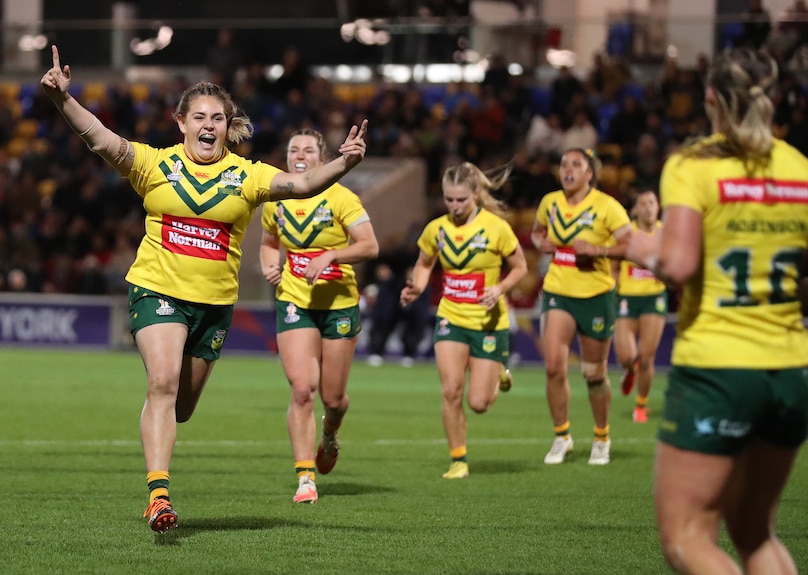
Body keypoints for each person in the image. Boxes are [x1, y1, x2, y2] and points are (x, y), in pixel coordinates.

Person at [40, 45, 368, 532]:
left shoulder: (249, 175)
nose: (209, 124)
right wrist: (63, 100)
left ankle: (166, 452)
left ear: (226, 125)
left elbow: (301, 187)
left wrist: (344, 163)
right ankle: (158, 494)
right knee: (163, 383)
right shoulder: (154, 165)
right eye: (199, 116)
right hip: (157, 289)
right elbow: (101, 138)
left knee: (183, 406)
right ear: (182, 122)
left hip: (213, 307)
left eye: (218, 116)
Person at [624, 48, 808, 574]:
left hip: (720, 367)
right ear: (773, 100)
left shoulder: (693, 165)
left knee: (688, 537)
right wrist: (788, 300)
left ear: (709, 98)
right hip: (792, 368)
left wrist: (637, 248)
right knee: (755, 532)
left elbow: (679, 265)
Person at [259, 128, 378, 505]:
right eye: (293, 148)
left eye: (308, 150)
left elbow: (370, 246)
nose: (299, 154)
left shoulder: (341, 197)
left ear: (321, 159)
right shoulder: (276, 199)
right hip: (295, 299)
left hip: (339, 303)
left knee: (334, 398)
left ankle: (330, 434)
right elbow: (268, 241)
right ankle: (305, 477)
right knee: (301, 388)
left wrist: (331, 256)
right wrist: (270, 265)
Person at [400, 161, 527, 479]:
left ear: (476, 195)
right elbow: (425, 263)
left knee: (479, 403)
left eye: (461, 200)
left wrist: (499, 288)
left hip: (487, 322)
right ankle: (458, 459)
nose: (454, 206)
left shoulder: (496, 228)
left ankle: (497, 370)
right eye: (449, 200)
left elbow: (521, 268)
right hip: (451, 317)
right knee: (451, 391)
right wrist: (416, 286)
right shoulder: (437, 229)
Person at [531, 148, 632, 466]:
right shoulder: (550, 202)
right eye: (563, 164)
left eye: (576, 164)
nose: (568, 169)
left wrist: (598, 249)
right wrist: (540, 243)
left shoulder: (607, 206)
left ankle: (601, 437)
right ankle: (562, 436)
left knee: (594, 374)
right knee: (553, 368)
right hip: (558, 291)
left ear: (590, 173)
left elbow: (631, 245)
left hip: (596, 295)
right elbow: (536, 232)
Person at [614, 188, 667, 424]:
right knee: (627, 356)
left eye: (652, 202)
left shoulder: (666, 234)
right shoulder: (627, 235)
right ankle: (629, 370)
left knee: (647, 357)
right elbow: (613, 264)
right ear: (634, 209)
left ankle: (641, 406)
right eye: (643, 203)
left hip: (654, 298)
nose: (648, 207)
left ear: (658, 206)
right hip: (626, 297)